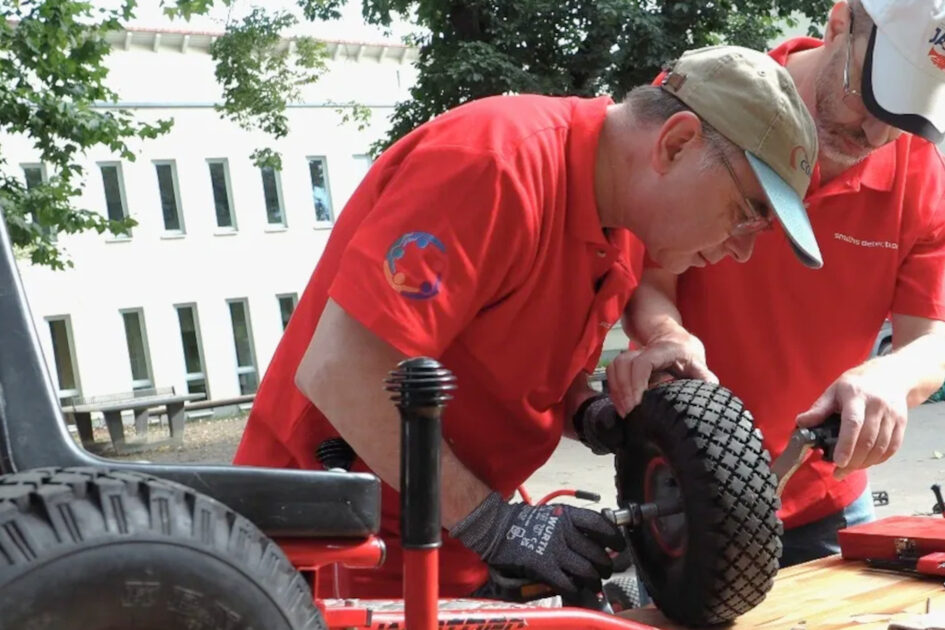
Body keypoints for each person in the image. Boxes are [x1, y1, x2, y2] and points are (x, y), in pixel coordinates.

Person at [233, 45, 820, 599]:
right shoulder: (493, 166)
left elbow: (502, 361)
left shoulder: (622, 227)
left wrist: (588, 413)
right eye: (747, 214)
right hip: (320, 556)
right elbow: (342, 371)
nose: (742, 250)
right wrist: (495, 524)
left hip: (444, 554)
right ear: (677, 143)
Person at [615, 0, 945, 567]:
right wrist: (667, 332)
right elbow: (647, 273)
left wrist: (889, 375)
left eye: (906, 112)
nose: (874, 131)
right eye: (871, 95)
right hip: (690, 484)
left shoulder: (920, 174)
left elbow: (933, 337)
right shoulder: (716, 99)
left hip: (827, 496)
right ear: (839, 23)